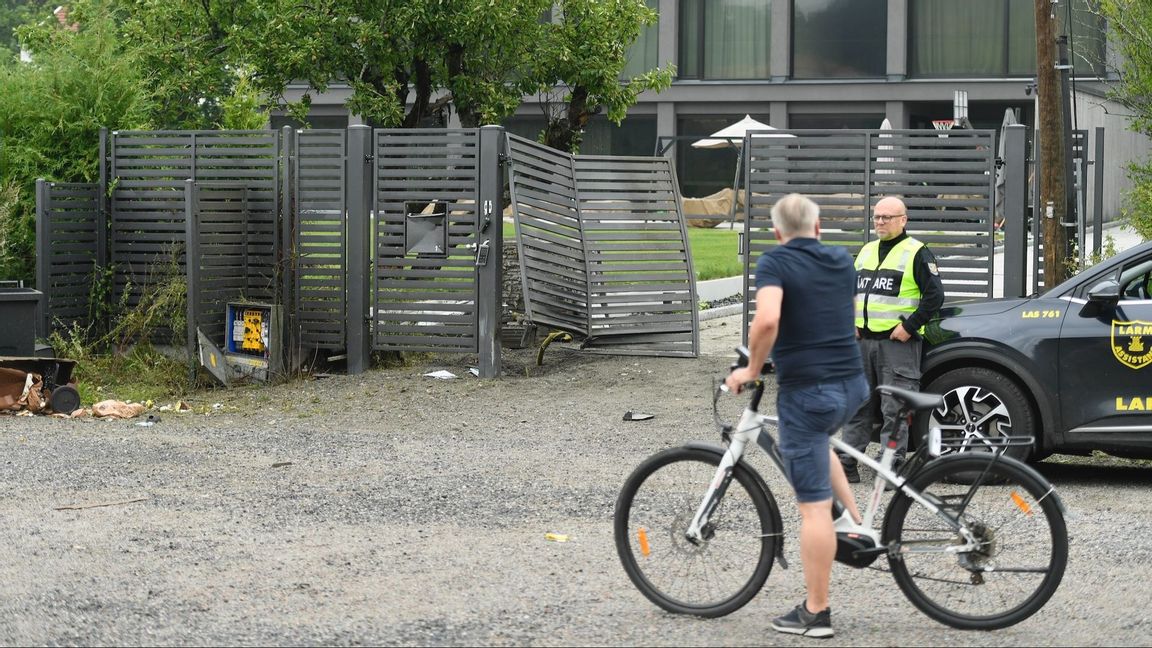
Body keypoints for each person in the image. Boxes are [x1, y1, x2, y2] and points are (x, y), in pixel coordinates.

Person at [726, 193, 868, 639]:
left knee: (810, 510)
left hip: (810, 392)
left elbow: (768, 320)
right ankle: (856, 524)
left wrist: (751, 368)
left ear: (777, 233)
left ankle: (816, 612)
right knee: (814, 441)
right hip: (851, 385)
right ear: (819, 227)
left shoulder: (776, 262)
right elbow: (821, 314)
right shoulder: (841, 260)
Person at [838, 196, 944, 484]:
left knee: (894, 408)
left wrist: (910, 326)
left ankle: (891, 468)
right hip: (863, 342)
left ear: (903, 220)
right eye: (877, 217)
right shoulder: (867, 250)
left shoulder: (917, 252)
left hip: (898, 344)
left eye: (887, 217)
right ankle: (848, 463)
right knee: (857, 405)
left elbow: (935, 296)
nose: (881, 222)